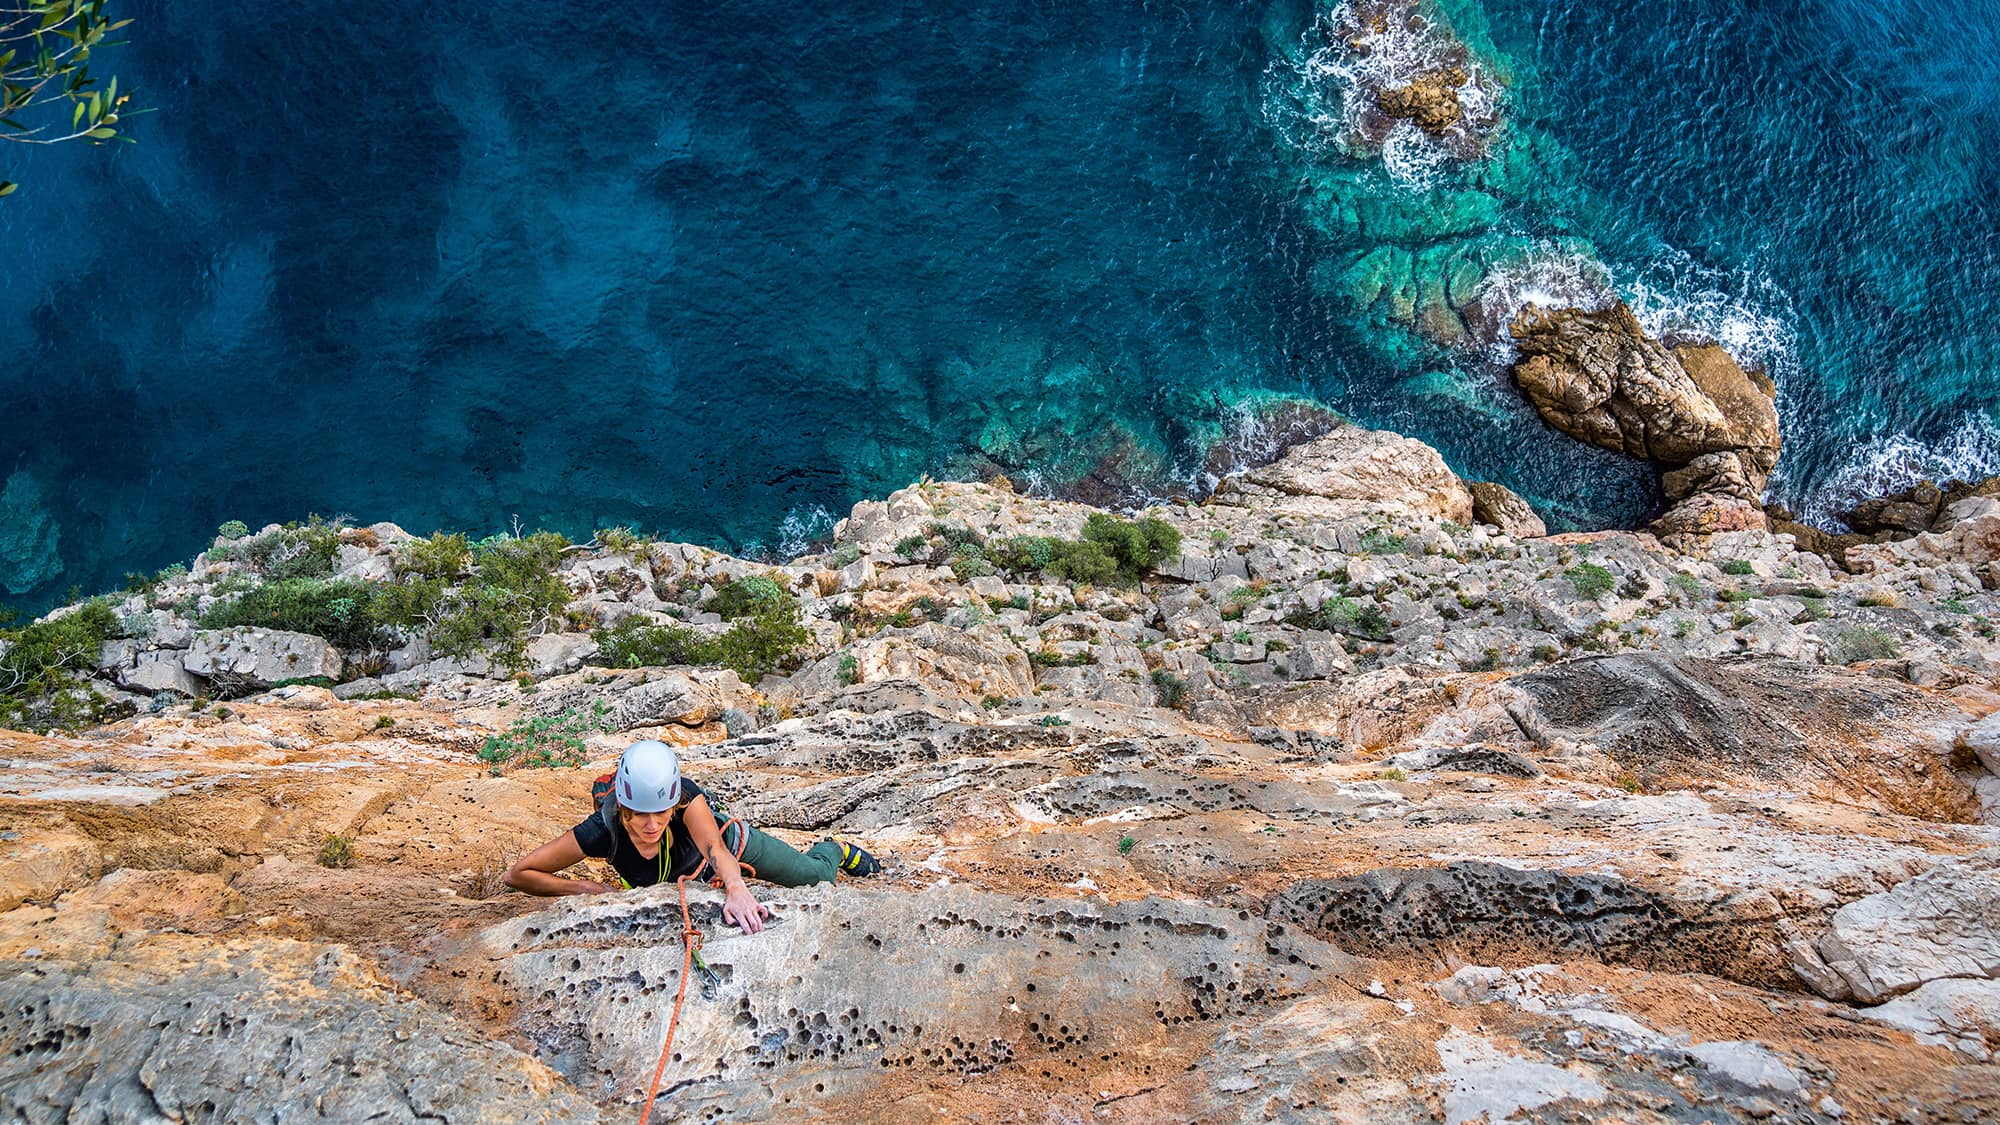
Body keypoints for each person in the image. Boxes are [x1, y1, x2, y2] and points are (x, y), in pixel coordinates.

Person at [503, 739, 881, 934]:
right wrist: (586, 889)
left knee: (815, 878)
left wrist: (735, 888)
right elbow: (518, 875)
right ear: (623, 808)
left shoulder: (686, 799)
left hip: (731, 848)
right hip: (668, 879)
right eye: (639, 815)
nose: (652, 825)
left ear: (673, 804)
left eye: (661, 813)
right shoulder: (603, 829)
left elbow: (713, 846)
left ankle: (834, 849)